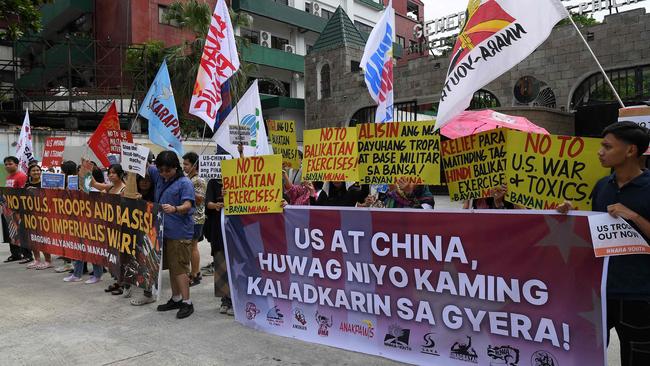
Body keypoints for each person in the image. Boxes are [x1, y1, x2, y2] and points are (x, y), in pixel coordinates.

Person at [558, 121, 650, 366]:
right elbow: (592, 231)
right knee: (588, 355)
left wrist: (634, 216)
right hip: (598, 292)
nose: (600, 152)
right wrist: (570, 216)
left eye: (607, 147)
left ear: (631, 150)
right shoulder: (601, 186)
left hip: (639, 296)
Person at [149, 151, 196, 319]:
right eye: (161, 170)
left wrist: (174, 208)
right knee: (172, 268)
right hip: (164, 233)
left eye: (167, 171)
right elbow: (143, 164)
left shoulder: (185, 183)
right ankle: (176, 298)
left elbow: (188, 205)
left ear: (175, 168)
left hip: (180, 233)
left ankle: (187, 302)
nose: (164, 174)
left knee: (181, 269)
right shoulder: (160, 177)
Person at [63, 165, 107, 284]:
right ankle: (77, 274)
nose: (79, 174)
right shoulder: (82, 188)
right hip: (81, 223)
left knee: (93, 250)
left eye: (82, 172)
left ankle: (97, 274)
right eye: (79, 171)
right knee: (79, 248)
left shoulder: (96, 190)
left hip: (93, 225)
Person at [203, 177, 233, 315]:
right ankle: (225, 300)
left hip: (237, 229)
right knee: (221, 262)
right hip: (219, 228)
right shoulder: (213, 182)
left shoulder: (240, 178)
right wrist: (216, 205)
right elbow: (207, 203)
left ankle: (236, 300)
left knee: (236, 264)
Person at [130, 172, 157, 306]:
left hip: (150, 235)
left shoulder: (155, 195)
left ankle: (148, 293)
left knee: (147, 262)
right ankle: (129, 285)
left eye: (147, 180)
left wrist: (143, 202)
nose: (144, 183)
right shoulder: (132, 193)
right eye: (142, 180)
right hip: (135, 232)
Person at [182, 152, 206, 287]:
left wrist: (187, 188)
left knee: (193, 246)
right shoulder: (187, 179)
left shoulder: (199, 180)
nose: (184, 167)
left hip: (196, 218)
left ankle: (195, 273)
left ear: (194, 165)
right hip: (188, 217)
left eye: (186, 164)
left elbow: (200, 199)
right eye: (183, 164)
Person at [3, 156, 32, 263]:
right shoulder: (9, 177)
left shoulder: (21, 176)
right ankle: (16, 254)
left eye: (10, 163)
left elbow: (23, 194)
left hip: (19, 210)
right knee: (12, 233)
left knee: (22, 233)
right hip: (9, 211)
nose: (7, 166)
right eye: (6, 164)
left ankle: (28, 255)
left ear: (16, 164)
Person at [24, 163, 53, 270]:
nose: (36, 172)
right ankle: (36, 259)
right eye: (33, 171)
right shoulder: (26, 184)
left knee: (43, 238)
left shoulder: (45, 183)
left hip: (43, 215)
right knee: (33, 238)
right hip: (31, 215)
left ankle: (48, 260)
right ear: (29, 173)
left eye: (38, 170)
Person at [54, 160, 79, 273]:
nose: (61, 173)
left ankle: (70, 263)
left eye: (63, 170)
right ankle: (69, 262)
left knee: (70, 240)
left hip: (72, 216)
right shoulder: (63, 182)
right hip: (64, 214)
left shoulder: (75, 182)